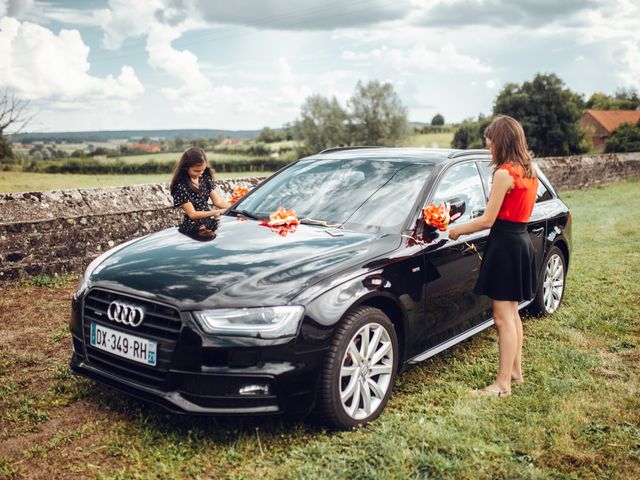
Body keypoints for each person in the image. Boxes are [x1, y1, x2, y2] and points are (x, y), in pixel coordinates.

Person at [448, 115, 539, 397]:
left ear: (501, 142)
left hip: (506, 244)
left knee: (502, 318)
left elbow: (488, 220)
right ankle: (515, 373)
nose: (489, 150)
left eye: (490, 144)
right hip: (520, 241)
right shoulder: (529, 170)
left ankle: (502, 386)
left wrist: (457, 230)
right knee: (512, 313)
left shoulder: (504, 174)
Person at [169, 147, 230, 240]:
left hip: (209, 222)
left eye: (203, 170)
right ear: (186, 167)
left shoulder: (205, 177)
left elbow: (218, 201)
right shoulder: (180, 185)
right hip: (193, 227)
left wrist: (236, 207)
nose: (201, 173)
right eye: (196, 171)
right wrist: (216, 212)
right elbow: (192, 214)